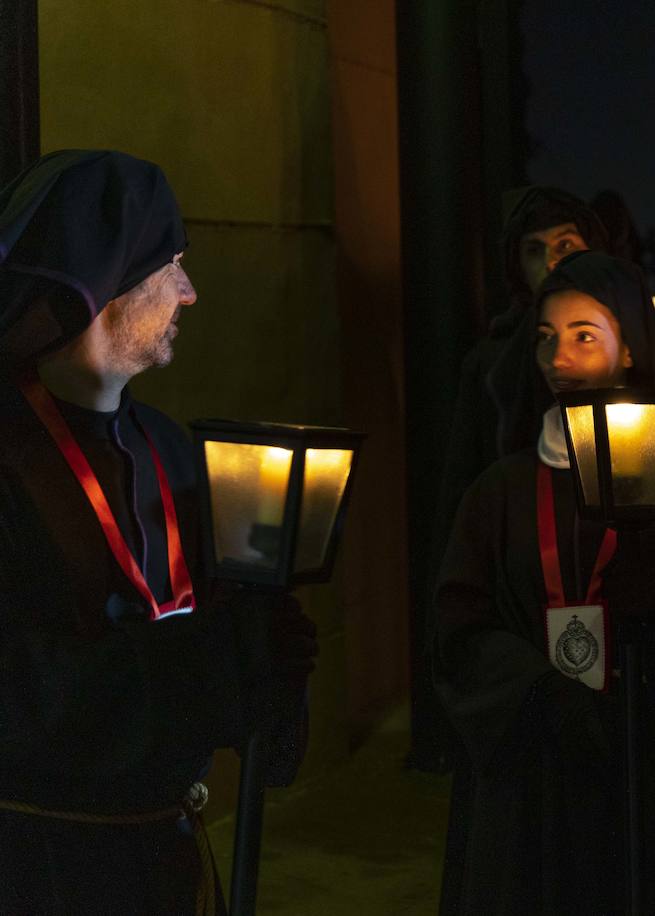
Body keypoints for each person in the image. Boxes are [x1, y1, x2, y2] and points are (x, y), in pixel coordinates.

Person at [0, 150, 317, 914]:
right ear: (106, 282)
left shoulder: (174, 450)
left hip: (166, 859)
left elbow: (228, 619)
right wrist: (201, 668)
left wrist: (271, 666)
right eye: (171, 265)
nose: (190, 291)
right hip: (39, 868)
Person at [431, 251, 655, 914]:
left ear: (630, 351)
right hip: (535, 773)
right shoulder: (500, 491)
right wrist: (539, 693)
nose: (559, 356)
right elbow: (456, 629)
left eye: (585, 335)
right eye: (546, 337)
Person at [416, 186, 607, 772]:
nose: (553, 262)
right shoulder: (491, 364)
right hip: (517, 589)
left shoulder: (626, 351)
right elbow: (462, 488)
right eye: (535, 250)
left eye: (567, 245)